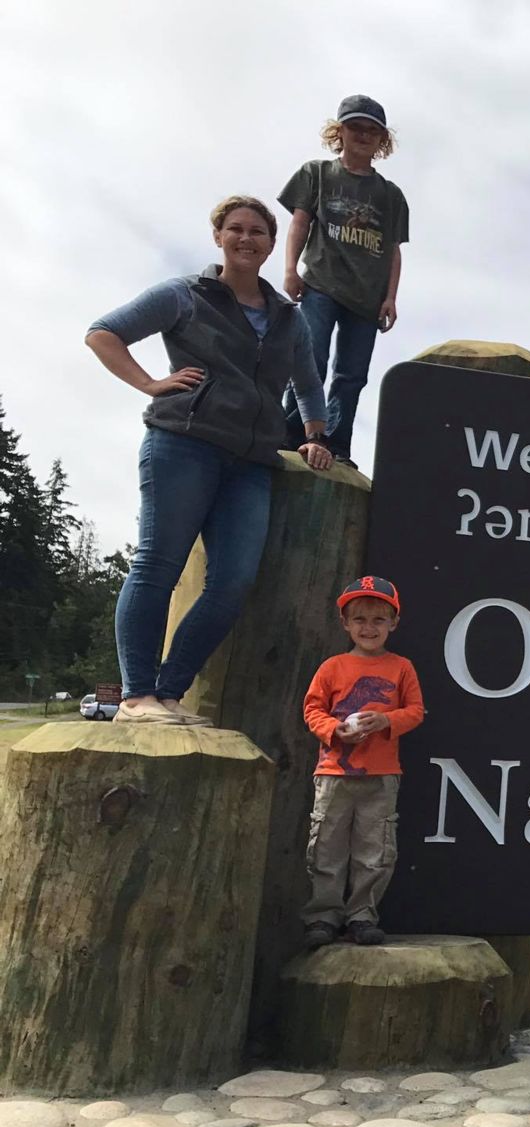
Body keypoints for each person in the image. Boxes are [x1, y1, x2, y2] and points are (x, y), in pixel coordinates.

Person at [86, 196, 334, 727]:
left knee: (233, 581)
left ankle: (169, 693)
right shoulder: (185, 295)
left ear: (272, 244)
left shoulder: (289, 317)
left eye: (258, 232)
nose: (247, 239)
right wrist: (151, 384)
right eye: (236, 229)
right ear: (219, 237)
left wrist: (314, 436)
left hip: (252, 462)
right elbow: (103, 333)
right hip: (184, 442)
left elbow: (309, 383)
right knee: (159, 564)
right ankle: (135, 696)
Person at [279, 94, 410, 470]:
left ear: (382, 140)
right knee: (309, 359)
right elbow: (300, 222)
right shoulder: (316, 174)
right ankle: (295, 434)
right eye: (356, 128)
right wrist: (290, 269)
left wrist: (390, 298)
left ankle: (336, 443)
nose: (364, 136)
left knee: (351, 375)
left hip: (366, 298)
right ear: (339, 132)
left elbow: (394, 250)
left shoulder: (390, 195)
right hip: (320, 283)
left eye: (373, 131)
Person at [301, 576, 424, 947]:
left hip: (383, 774)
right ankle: (323, 917)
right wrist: (336, 730)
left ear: (393, 623)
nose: (368, 628)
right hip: (334, 773)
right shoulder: (332, 667)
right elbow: (312, 710)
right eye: (359, 619)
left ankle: (362, 915)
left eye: (377, 620)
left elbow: (416, 711)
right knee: (326, 846)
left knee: (376, 849)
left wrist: (387, 720)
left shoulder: (402, 667)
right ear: (345, 623)